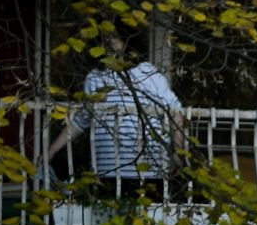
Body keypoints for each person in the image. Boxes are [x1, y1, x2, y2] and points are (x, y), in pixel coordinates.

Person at [71, 47, 184, 196]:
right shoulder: (95, 77)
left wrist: (178, 152)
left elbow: (176, 111)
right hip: (106, 169)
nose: (108, 42)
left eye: (114, 35)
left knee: (148, 216)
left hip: (149, 171)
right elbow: (81, 120)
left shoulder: (147, 72)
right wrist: (51, 151)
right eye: (104, 36)